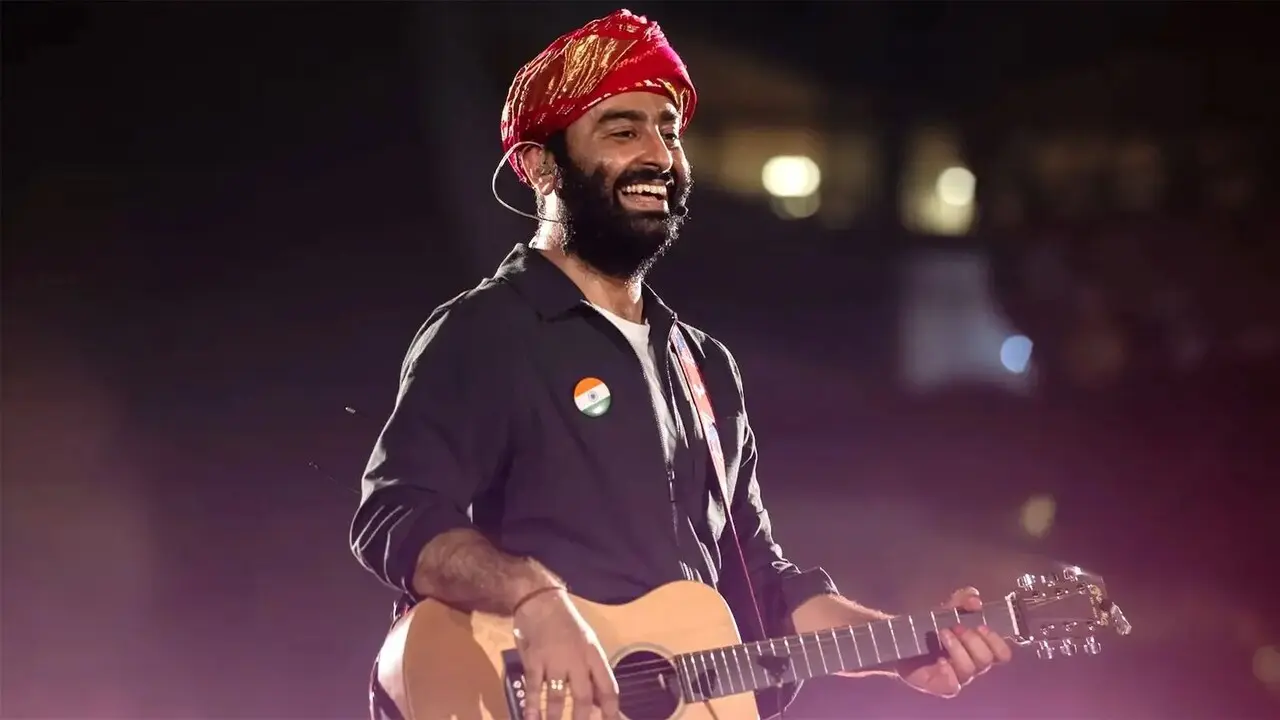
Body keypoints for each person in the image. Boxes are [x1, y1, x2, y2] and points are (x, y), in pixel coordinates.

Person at [351, 9, 1011, 720]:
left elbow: (760, 583)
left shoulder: (705, 368)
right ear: (540, 164)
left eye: (668, 131)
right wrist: (534, 599)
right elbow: (395, 515)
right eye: (623, 131)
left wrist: (905, 647)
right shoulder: (486, 332)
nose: (660, 155)